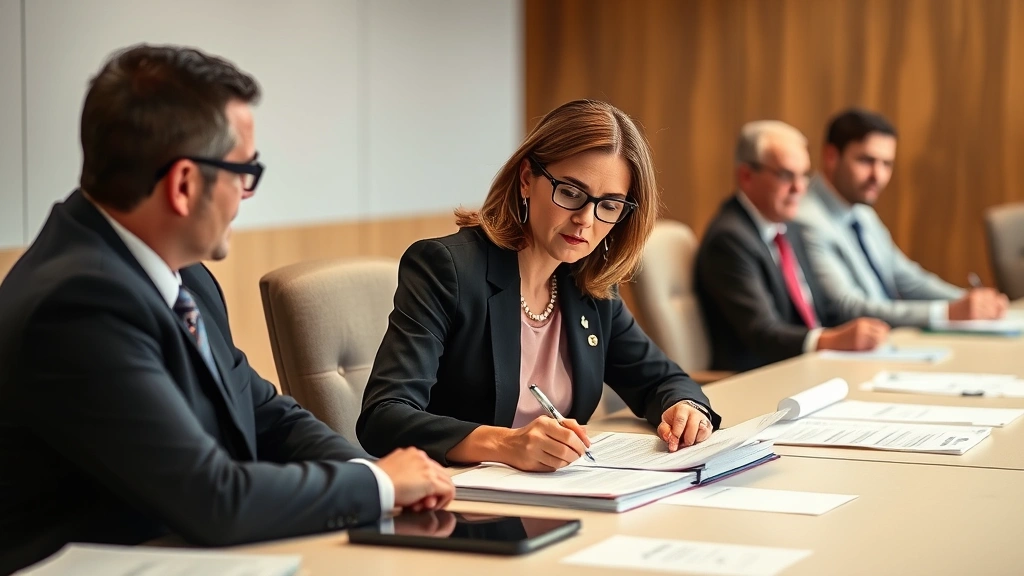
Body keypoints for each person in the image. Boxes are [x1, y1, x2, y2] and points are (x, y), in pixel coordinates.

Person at [0, 44, 452, 574]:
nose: (246, 193)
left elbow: (265, 413)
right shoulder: (77, 305)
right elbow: (214, 499)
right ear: (185, 184)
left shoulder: (181, 274)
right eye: (244, 172)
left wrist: (373, 473)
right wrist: (377, 485)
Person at [357, 99, 720, 472]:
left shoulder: (589, 285)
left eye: (609, 205)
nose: (585, 220)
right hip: (461, 502)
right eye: (570, 193)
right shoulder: (446, 268)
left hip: (562, 498)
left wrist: (685, 408)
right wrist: (505, 443)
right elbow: (384, 417)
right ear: (527, 178)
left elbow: (661, 379)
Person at [695, 121, 890, 372]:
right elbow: (762, 333)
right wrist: (832, 340)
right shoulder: (730, 239)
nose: (799, 188)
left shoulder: (789, 228)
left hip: (809, 367)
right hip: (760, 379)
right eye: (787, 175)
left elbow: (820, 309)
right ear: (746, 175)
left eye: (804, 175)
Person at [796, 108, 1009, 327]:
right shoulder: (805, 219)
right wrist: (946, 312)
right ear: (831, 156)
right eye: (866, 161)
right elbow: (848, 308)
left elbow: (907, 278)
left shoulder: (861, 212)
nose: (877, 176)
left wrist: (969, 302)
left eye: (886, 164)